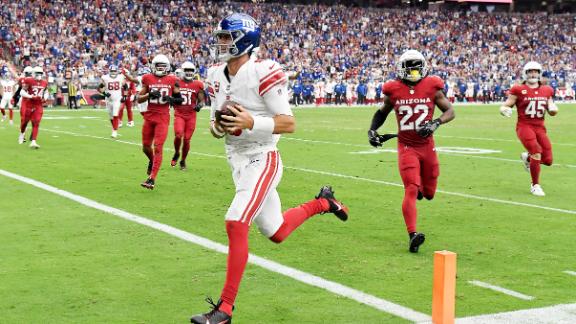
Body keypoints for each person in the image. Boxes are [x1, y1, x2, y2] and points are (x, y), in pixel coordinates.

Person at [190, 13, 349, 324]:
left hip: (263, 157)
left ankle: (225, 310)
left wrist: (251, 121)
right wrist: (221, 126)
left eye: (226, 37)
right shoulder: (214, 75)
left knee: (236, 222)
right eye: (220, 37)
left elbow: (289, 123)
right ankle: (324, 202)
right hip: (236, 160)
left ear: (244, 41)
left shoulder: (263, 71)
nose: (220, 43)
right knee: (276, 232)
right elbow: (213, 126)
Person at [367, 49, 455, 253]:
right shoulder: (394, 89)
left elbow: (450, 111)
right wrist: (372, 130)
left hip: (427, 146)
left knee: (430, 193)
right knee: (411, 188)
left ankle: (422, 191)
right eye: (410, 66)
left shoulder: (432, 86)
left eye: (417, 66)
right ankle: (413, 234)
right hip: (406, 147)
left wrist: (435, 123)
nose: (414, 70)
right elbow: (382, 113)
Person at [499, 61, 558, 196]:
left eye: (535, 71)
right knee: (536, 151)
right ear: (525, 73)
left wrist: (554, 109)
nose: (533, 74)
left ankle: (528, 159)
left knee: (548, 160)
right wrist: (503, 109)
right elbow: (507, 104)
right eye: (530, 71)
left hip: (540, 127)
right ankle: (535, 185)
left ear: (539, 73)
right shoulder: (518, 89)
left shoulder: (547, 89)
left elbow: (551, 108)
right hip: (524, 126)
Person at [137, 54, 181, 189]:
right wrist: (149, 94)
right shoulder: (147, 78)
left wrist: (171, 99)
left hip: (162, 117)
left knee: (158, 146)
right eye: (158, 66)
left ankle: (152, 179)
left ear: (167, 67)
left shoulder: (173, 80)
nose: (160, 68)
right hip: (149, 116)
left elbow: (179, 100)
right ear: (153, 66)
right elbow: (139, 99)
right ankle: (152, 160)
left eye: (163, 66)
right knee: (145, 146)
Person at [170, 61, 204, 170]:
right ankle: (176, 153)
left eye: (191, 70)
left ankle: (183, 161)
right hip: (179, 114)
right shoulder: (176, 83)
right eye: (187, 70)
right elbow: (173, 98)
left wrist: (199, 106)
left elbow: (201, 100)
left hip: (191, 115)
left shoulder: (198, 84)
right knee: (179, 135)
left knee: (187, 139)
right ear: (183, 71)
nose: (189, 73)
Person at [99, 65, 137, 138]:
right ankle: (114, 128)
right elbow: (99, 88)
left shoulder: (120, 77)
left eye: (114, 71)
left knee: (115, 114)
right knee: (111, 117)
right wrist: (105, 93)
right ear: (109, 71)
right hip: (109, 100)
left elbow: (125, 86)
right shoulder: (105, 78)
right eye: (112, 71)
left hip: (117, 99)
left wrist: (125, 96)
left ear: (117, 71)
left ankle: (114, 131)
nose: (113, 73)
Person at [19, 66, 48, 148]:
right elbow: (22, 92)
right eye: (37, 73)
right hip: (29, 104)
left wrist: (45, 98)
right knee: (24, 122)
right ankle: (22, 134)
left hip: (38, 105)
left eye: (40, 73)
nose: (39, 75)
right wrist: (31, 96)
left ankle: (33, 141)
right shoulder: (29, 80)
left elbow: (47, 91)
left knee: (36, 122)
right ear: (33, 73)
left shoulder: (44, 82)